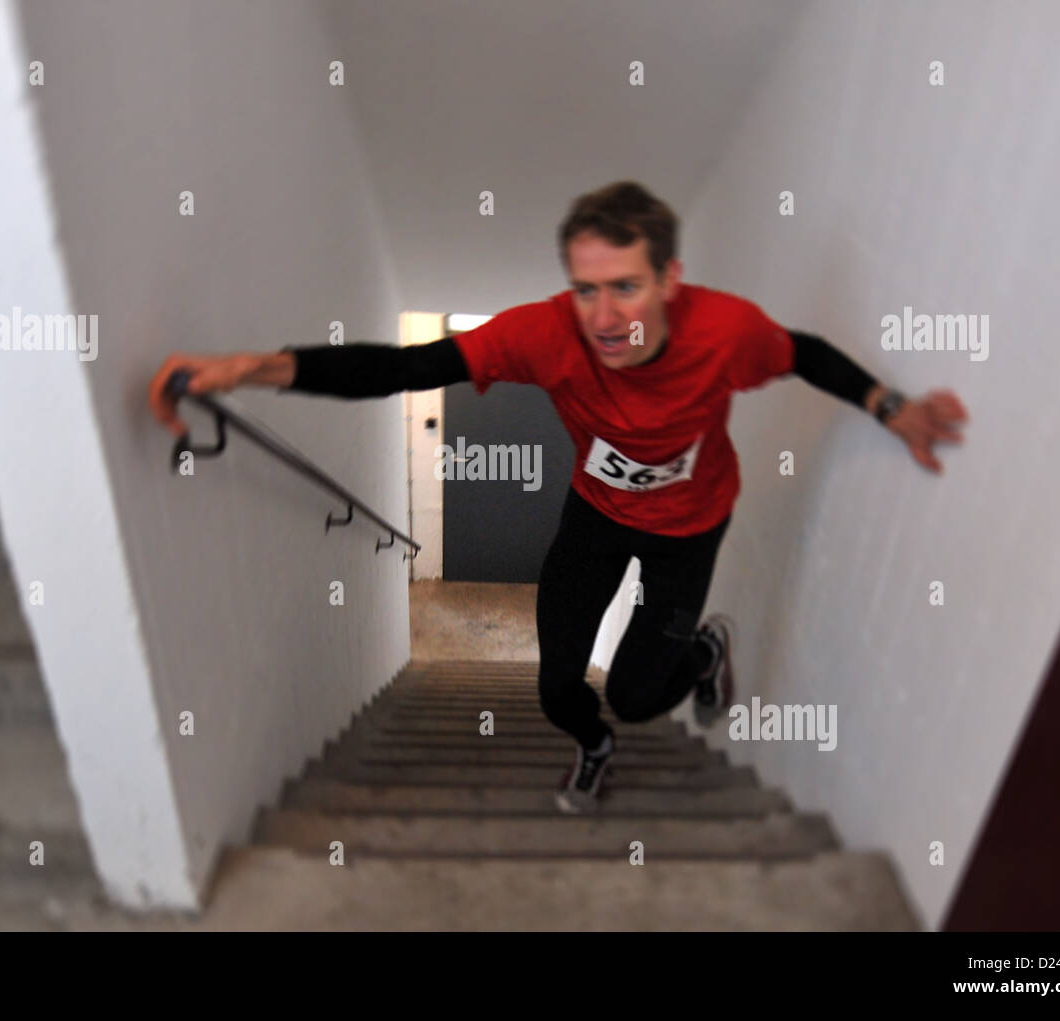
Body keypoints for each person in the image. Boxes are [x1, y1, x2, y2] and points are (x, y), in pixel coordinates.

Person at [148, 180, 968, 814]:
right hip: (597, 517)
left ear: (670, 280)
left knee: (642, 693)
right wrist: (252, 369)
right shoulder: (541, 334)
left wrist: (892, 410)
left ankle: (703, 651)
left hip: (692, 524)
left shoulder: (726, 331)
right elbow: (400, 368)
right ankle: (593, 745)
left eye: (626, 287)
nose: (605, 317)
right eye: (586, 289)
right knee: (556, 689)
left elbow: (807, 354)